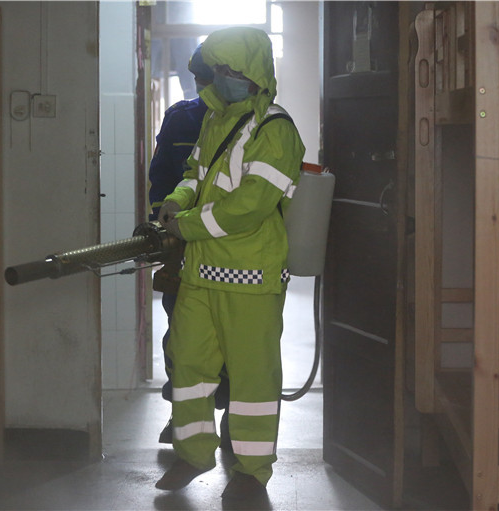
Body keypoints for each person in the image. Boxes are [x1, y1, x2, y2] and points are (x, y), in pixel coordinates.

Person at [155, 27, 305, 501]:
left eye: (230, 69)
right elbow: (193, 175)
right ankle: (192, 454)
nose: (222, 77)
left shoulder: (275, 130)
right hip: (201, 271)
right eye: (217, 68)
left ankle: (251, 471)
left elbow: (250, 206)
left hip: (250, 275)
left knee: (252, 378)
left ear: (254, 73)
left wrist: (187, 226)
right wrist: (176, 201)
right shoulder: (215, 119)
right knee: (188, 365)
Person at [148, 44, 231, 447]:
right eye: (197, 80)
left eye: (207, 79)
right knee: (181, 338)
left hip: (234, 250)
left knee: (234, 340)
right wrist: (165, 229)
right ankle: (180, 415)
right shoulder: (181, 118)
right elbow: (162, 178)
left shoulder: (255, 122)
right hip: (182, 249)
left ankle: (233, 419)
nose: (201, 87)